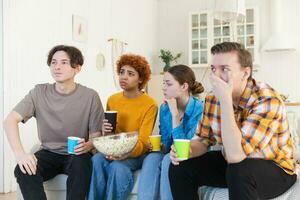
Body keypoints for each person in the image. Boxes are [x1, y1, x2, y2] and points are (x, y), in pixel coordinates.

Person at [169, 42, 297, 200]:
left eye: (225, 69)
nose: (216, 76)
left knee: (239, 169)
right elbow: (203, 140)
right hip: (233, 163)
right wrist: (187, 151)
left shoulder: (267, 100)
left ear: (245, 73)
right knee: (180, 166)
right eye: (213, 69)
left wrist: (225, 100)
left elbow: (236, 156)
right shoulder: (211, 99)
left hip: (275, 168)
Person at [3, 45, 104, 200]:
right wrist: (21, 154)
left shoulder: (90, 96)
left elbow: (95, 138)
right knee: (22, 169)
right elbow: (10, 120)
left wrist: (88, 145)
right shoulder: (39, 92)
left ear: (77, 68)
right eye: (53, 62)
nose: (57, 67)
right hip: (48, 152)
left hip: (77, 154)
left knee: (80, 166)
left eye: (64, 62)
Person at [88, 54, 158, 200]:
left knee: (117, 167)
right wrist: (106, 131)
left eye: (130, 74)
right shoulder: (113, 100)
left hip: (135, 152)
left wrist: (124, 154)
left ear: (140, 79)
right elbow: (110, 136)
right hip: (114, 148)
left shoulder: (150, 104)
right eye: (122, 72)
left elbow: (143, 143)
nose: (124, 77)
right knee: (96, 160)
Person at [138, 65, 204, 200]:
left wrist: (175, 115)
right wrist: (158, 145)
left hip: (191, 156)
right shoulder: (164, 108)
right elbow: (167, 145)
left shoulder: (200, 109)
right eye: (163, 83)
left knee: (169, 159)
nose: (163, 87)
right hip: (171, 153)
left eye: (168, 84)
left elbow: (184, 149)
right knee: (152, 157)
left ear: (184, 86)